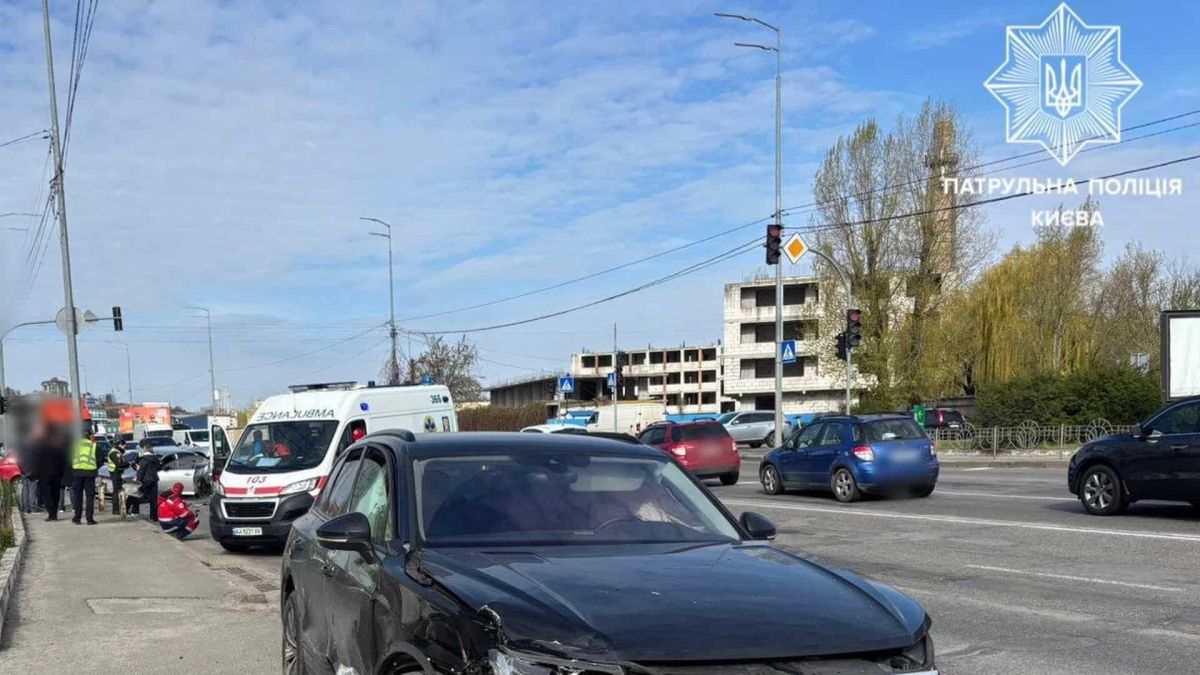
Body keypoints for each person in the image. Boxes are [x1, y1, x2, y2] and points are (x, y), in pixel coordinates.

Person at [70, 430, 104, 525]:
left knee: (78, 496)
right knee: (90, 496)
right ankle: (89, 519)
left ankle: (77, 518)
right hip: (90, 474)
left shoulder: (74, 446)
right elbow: (101, 459)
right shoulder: (94, 446)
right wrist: (94, 467)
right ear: (90, 436)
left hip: (77, 473)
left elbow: (69, 459)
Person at [36, 426, 69, 521]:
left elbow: (37, 460)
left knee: (47, 495)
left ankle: (52, 514)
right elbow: (64, 460)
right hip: (57, 474)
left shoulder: (40, 445)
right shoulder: (59, 446)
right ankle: (54, 514)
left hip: (45, 474)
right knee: (55, 494)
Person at [16, 429, 43, 514]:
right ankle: (33, 508)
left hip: (24, 472)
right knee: (32, 491)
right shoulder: (35, 447)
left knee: (25, 491)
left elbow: (18, 461)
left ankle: (25, 508)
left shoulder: (21, 448)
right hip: (33, 473)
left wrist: (22, 471)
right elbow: (37, 461)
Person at [133, 442, 162, 522]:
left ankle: (135, 511)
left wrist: (137, 480)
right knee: (154, 499)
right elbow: (159, 467)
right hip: (154, 480)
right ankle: (154, 516)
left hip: (145, 480)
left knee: (138, 496)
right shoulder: (155, 458)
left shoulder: (144, 459)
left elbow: (141, 471)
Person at [106, 440, 129, 515]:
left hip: (116, 473)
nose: (124, 448)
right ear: (120, 445)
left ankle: (117, 509)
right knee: (116, 492)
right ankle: (116, 510)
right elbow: (119, 464)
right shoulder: (114, 452)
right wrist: (127, 464)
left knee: (118, 491)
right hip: (115, 474)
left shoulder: (116, 452)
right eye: (124, 446)